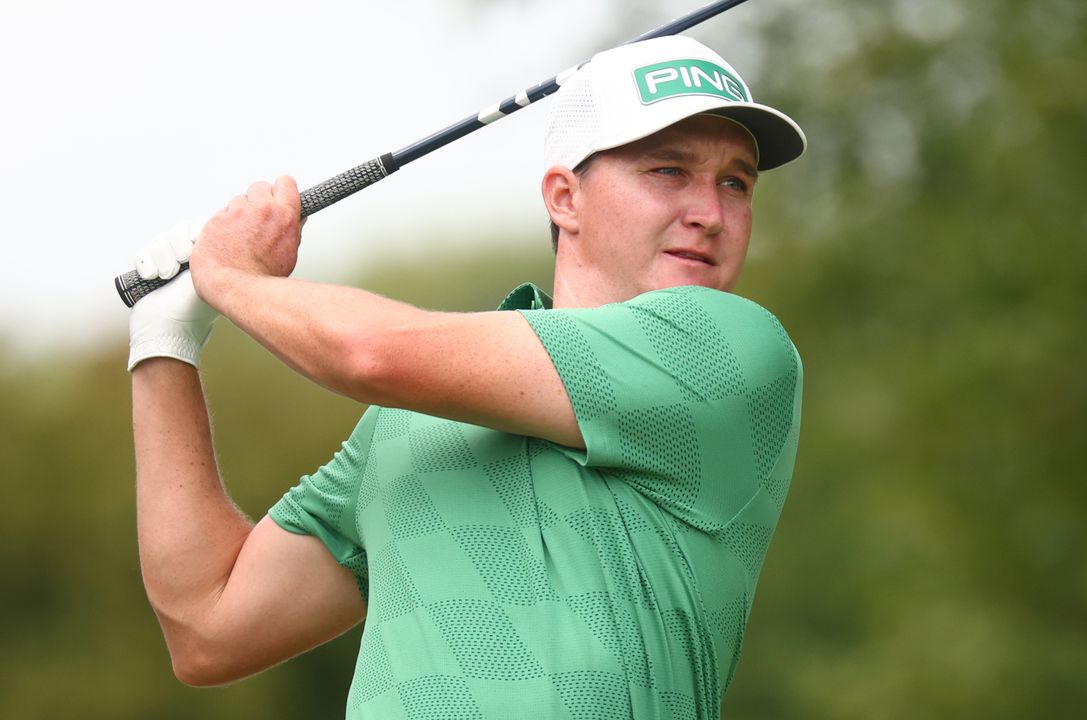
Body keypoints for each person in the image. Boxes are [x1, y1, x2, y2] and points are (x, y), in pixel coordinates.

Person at [127, 35, 806, 719]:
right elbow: (208, 630)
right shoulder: (410, 422)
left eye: (735, 182)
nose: (710, 213)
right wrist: (165, 343)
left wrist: (228, 277)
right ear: (565, 197)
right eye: (668, 171)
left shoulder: (729, 351)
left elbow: (369, 354)